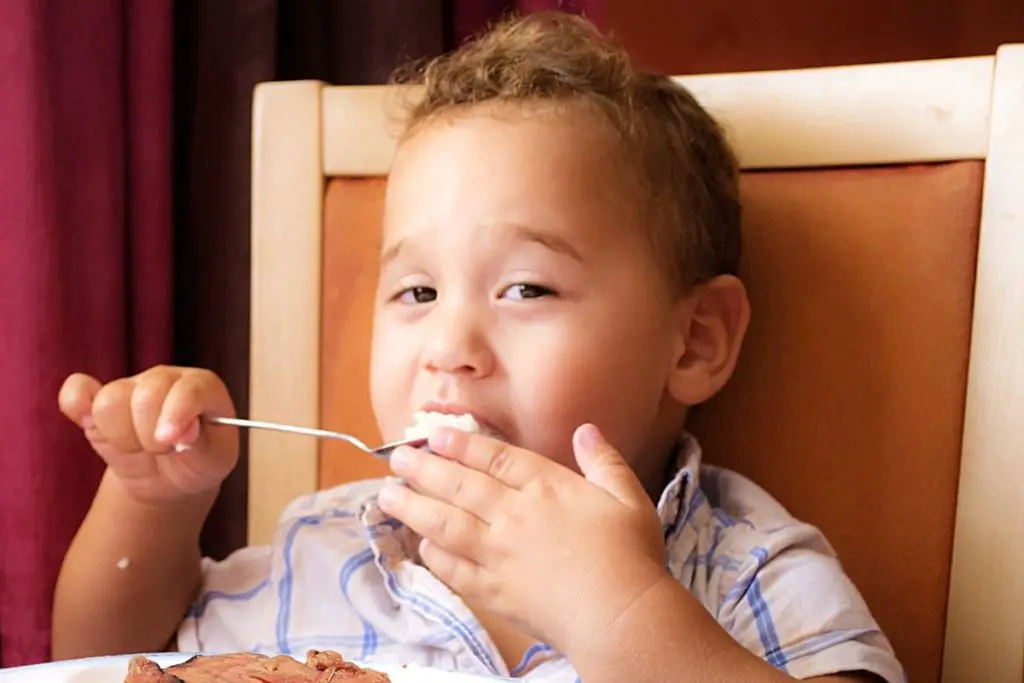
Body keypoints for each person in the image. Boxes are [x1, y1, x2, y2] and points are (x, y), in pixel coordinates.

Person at [53, 11, 904, 683]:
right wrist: (151, 503)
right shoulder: (327, 544)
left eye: (526, 289)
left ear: (695, 341)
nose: (450, 348)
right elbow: (102, 657)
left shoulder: (741, 568)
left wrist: (618, 613)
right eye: (417, 292)